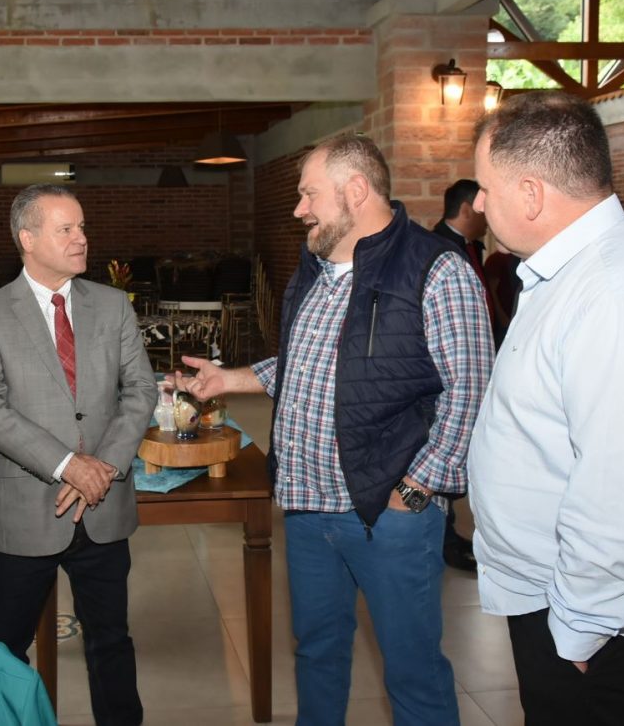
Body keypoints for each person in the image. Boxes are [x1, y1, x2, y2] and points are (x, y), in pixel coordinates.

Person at [172, 134, 493, 726]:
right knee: (317, 655)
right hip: (306, 508)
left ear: (356, 190)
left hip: (387, 514)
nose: (300, 209)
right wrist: (228, 379)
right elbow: (308, 364)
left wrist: (416, 489)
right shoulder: (315, 270)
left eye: (308, 194)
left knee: (413, 672)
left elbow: (470, 390)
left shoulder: (436, 268)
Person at [468, 91, 624, 725]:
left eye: (485, 188)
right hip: (555, 604)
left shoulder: (615, 291)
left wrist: (579, 629)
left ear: (531, 194)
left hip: (592, 628)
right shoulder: (565, 272)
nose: (477, 204)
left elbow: (621, 487)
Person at [0, 184, 156, 726]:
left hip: (103, 508)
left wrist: (104, 466)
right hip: (24, 514)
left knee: (111, 642)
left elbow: (141, 390)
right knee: (5, 649)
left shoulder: (112, 306)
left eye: (82, 227)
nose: (81, 238)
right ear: (27, 239)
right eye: (65, 229)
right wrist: (68, 465)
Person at [430, 178, 491, 573]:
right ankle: (443, 537)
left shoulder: (473, 247)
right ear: (466, 208)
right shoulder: (438, 248)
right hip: (451, 371)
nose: (486, 213)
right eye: (480, 205)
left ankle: (448, 533)